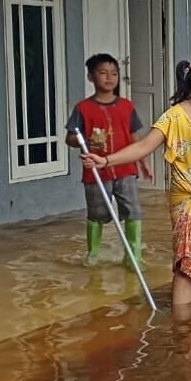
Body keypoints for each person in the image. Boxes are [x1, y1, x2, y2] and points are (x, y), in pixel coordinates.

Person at [81, 58, 191, 308]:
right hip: (188, 203)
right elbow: (142, 147)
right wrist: (105, 161)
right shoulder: (174, 118)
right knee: (186, 267)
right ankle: (182, 331)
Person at [66, 53, 151, 266]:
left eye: (114, 73)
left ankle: (133, 257)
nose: (109, 78)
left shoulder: (127, 106)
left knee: (133, 211)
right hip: (95, 171)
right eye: (102, 73)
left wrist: (143, 162)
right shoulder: (83, 108)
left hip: (125, 169)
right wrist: (84, 139)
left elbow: (136, 138)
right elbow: (69, 138)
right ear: (90, 77)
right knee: (97, 213)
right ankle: (93, 254)